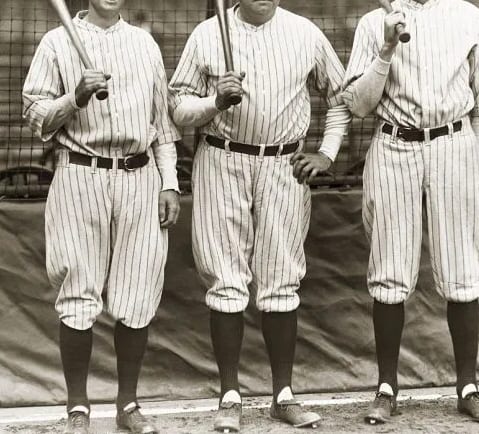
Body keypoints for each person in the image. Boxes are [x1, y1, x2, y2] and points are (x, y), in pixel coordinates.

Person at [169, 0, 350, 431]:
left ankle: (282, 395)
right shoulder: (208, 33)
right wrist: (215, 102)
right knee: (226, 278)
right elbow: (177, 108)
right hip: (222, 158)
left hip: (283, 163)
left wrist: (326, 153)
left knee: (281, 276)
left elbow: (342, 97)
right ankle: (229, 395)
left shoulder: (304, 33)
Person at [22, 1, 180, 433]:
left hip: (138, 175)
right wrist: (73, 98)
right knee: (78, 292)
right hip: (80, 172)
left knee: (137, 291)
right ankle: (78, 408)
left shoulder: (144, 44)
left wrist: (169, 183)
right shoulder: (56, 41)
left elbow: (163, 126)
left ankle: (128, 405)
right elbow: (35, 116)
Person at [343, 0, 479, 425]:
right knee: (389, 269)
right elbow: (359, 106)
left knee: (462, 268)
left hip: (453, 141)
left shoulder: (467, 14)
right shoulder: (372, 22)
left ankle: (468, 386)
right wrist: (385, 50)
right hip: (394, 143)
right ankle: (386, 387)